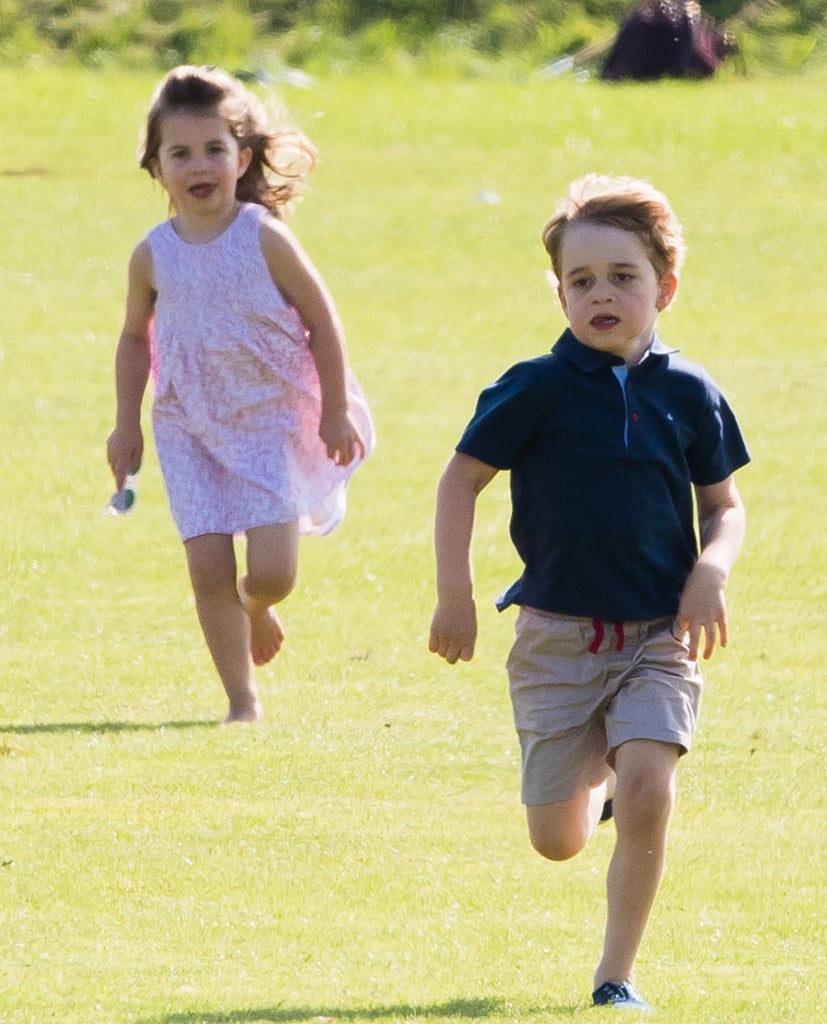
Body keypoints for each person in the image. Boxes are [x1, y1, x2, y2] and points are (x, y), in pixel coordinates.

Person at [429, 174, 749, 1011]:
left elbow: (724, 506)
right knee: (555, 841)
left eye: (621, 277)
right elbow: (460, 480)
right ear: (559, 291)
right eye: (580, 281)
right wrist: (454, 595)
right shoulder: (533, 387)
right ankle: (595, 779)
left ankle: (616, 977)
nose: (600, 294)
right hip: (555, 641)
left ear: (664, 287)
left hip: (656, 637)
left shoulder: (690, 393)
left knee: (648, 782)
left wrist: (710, 570)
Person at [107, 65, 375, 723]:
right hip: (187, 425)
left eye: (213, 150)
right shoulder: (151, 254)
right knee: (205, 567)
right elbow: (135, 341)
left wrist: (336, 407)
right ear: (155, 166)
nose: (198, 165)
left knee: (274, 571)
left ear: (242, 157)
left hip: (268, 421)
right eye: (180, 153)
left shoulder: (263, 235)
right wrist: (126, 425)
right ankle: (240, 701)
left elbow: (323, 319)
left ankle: (257, 605)